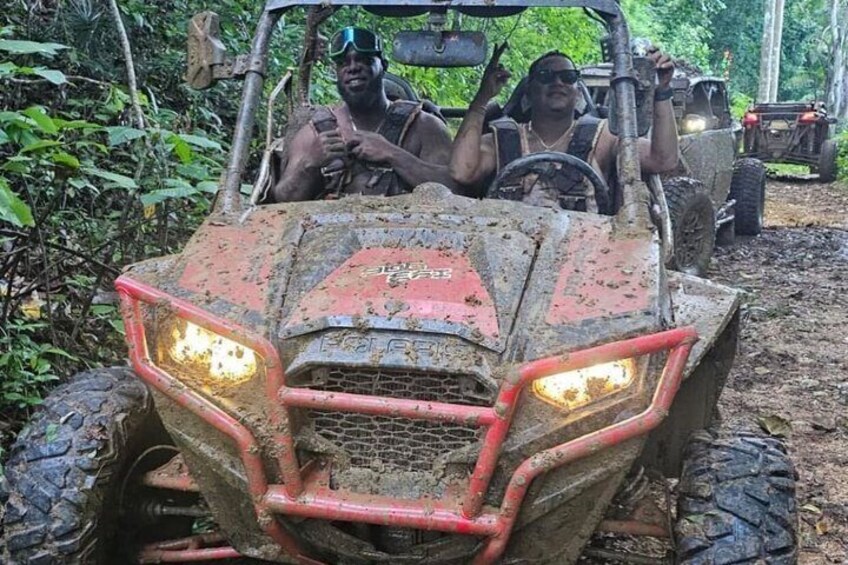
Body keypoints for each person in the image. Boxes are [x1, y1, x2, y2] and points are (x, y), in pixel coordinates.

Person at [450, 44, 679, 213]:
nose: (558, 83)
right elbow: (462, 171)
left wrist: (662, 91)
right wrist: (482, 98)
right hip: (507, 251)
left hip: (589, 255)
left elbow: (663, 159)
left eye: (568, 77)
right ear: (529, 91)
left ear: (577, 92)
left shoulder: (603, 137)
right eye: (546, 76)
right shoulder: (503, 139)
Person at [272, 27, 455, 202]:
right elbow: (283, 201)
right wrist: (308, 163)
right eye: (343, 63)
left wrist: (392, 154)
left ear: (383, 66)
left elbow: (457, 191)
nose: (353, 68)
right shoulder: (314, 134)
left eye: (364, 60)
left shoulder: (425, 128)